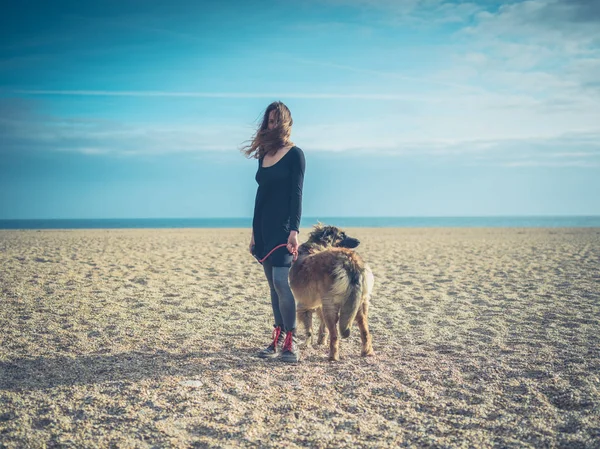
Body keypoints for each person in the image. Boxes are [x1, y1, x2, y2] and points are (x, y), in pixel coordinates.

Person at [242, 101, 305, 363]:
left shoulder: (295, 154)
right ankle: (277, 337)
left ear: (286, 123)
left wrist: (294, 230)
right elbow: (261, 195)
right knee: (271, 286)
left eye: (276, 120)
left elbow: (296, 194)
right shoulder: (263, 155)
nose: (272, 124)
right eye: (269, 120)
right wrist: (254, 233)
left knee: (281, 282)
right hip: (263, 227)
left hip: (283, 228)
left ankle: (291, 342)